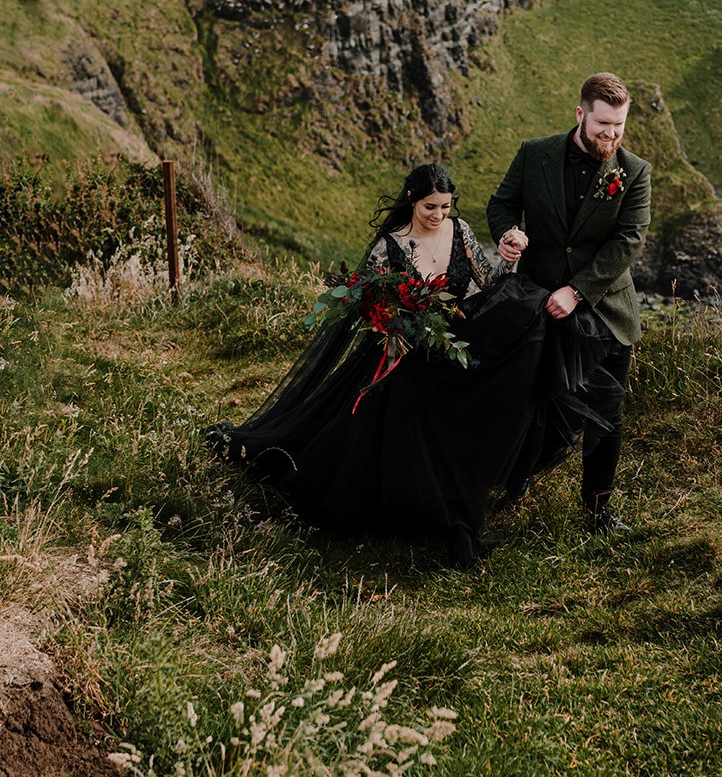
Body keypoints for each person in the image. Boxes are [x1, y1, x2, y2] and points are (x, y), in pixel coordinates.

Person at [209, 161, 617, 565]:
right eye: (430, 208)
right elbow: (369, 308)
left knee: (528, 321)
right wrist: (393, 331)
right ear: (412, 201)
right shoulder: (390, 246)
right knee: (397, 405)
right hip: (401, 349)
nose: (439, 215)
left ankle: (478, 480)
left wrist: (508, 257)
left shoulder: (461, 231)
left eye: (445, 206)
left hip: (450, 340)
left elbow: (491, 284)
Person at [487, 71, 652, 533]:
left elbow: (628, 242)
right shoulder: (533, 153)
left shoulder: (635, 172)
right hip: (538, 302)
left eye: (619, 125)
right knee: (529, 400)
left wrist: (577, 291)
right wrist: (508, 235)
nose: (612, 135)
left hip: (605, 311)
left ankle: (597, 510)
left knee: (606, 413)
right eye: (603, 124)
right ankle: (509, 485)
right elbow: (502, 204)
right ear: (580, 114)